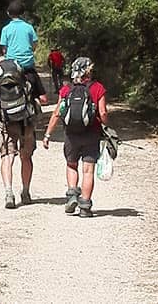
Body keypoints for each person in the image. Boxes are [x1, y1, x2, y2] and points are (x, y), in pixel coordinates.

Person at [42, 57, 108, 218]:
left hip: (71, 135)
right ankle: (85, 206)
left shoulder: (66, 90)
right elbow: (103, 113)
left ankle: (72, 195)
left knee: (71, 165)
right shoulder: (98, 88)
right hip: (91, 134)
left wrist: (47, 134)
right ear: (89, 71)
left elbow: (57, 113)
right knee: (88, 170)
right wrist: (106, 127)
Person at [0, 66, 36, 209]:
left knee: (7, 156)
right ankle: (25, 192)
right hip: (26, 122)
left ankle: (8, 193)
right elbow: (43, 99)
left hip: (6, 122)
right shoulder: (29, 76)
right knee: (26, 157)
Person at [0, 0, 47, 105]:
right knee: (43, 98)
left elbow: (4, 49)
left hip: (11, 67)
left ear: (8, 13)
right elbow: (34, 44)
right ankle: (37, 100)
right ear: (22, 13)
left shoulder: (6, 29)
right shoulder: (29, 27)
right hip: (27, 67)